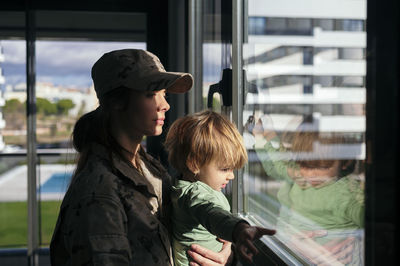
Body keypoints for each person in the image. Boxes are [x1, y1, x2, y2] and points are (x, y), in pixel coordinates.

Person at [50, 49, 232, 265]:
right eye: (150, 94)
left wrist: (221, 256)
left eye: (164, 93)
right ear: (117, 101)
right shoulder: (100, 193)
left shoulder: (149, 168)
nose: (165, 105)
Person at [164, 110, 276, 266]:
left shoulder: (182, 188)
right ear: (194, 163)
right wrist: (238, 229)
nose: (232, 176)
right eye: (225, 169)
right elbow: (212, 213)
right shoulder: (195, 193)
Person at [250, 114, 364, 265]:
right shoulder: (299, 176)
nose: (311, 174)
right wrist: (262, 137)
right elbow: (276, 165)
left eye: (322, 167)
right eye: (305, 165)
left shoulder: (345, 193)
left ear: (344, 162)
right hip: (292, 254)